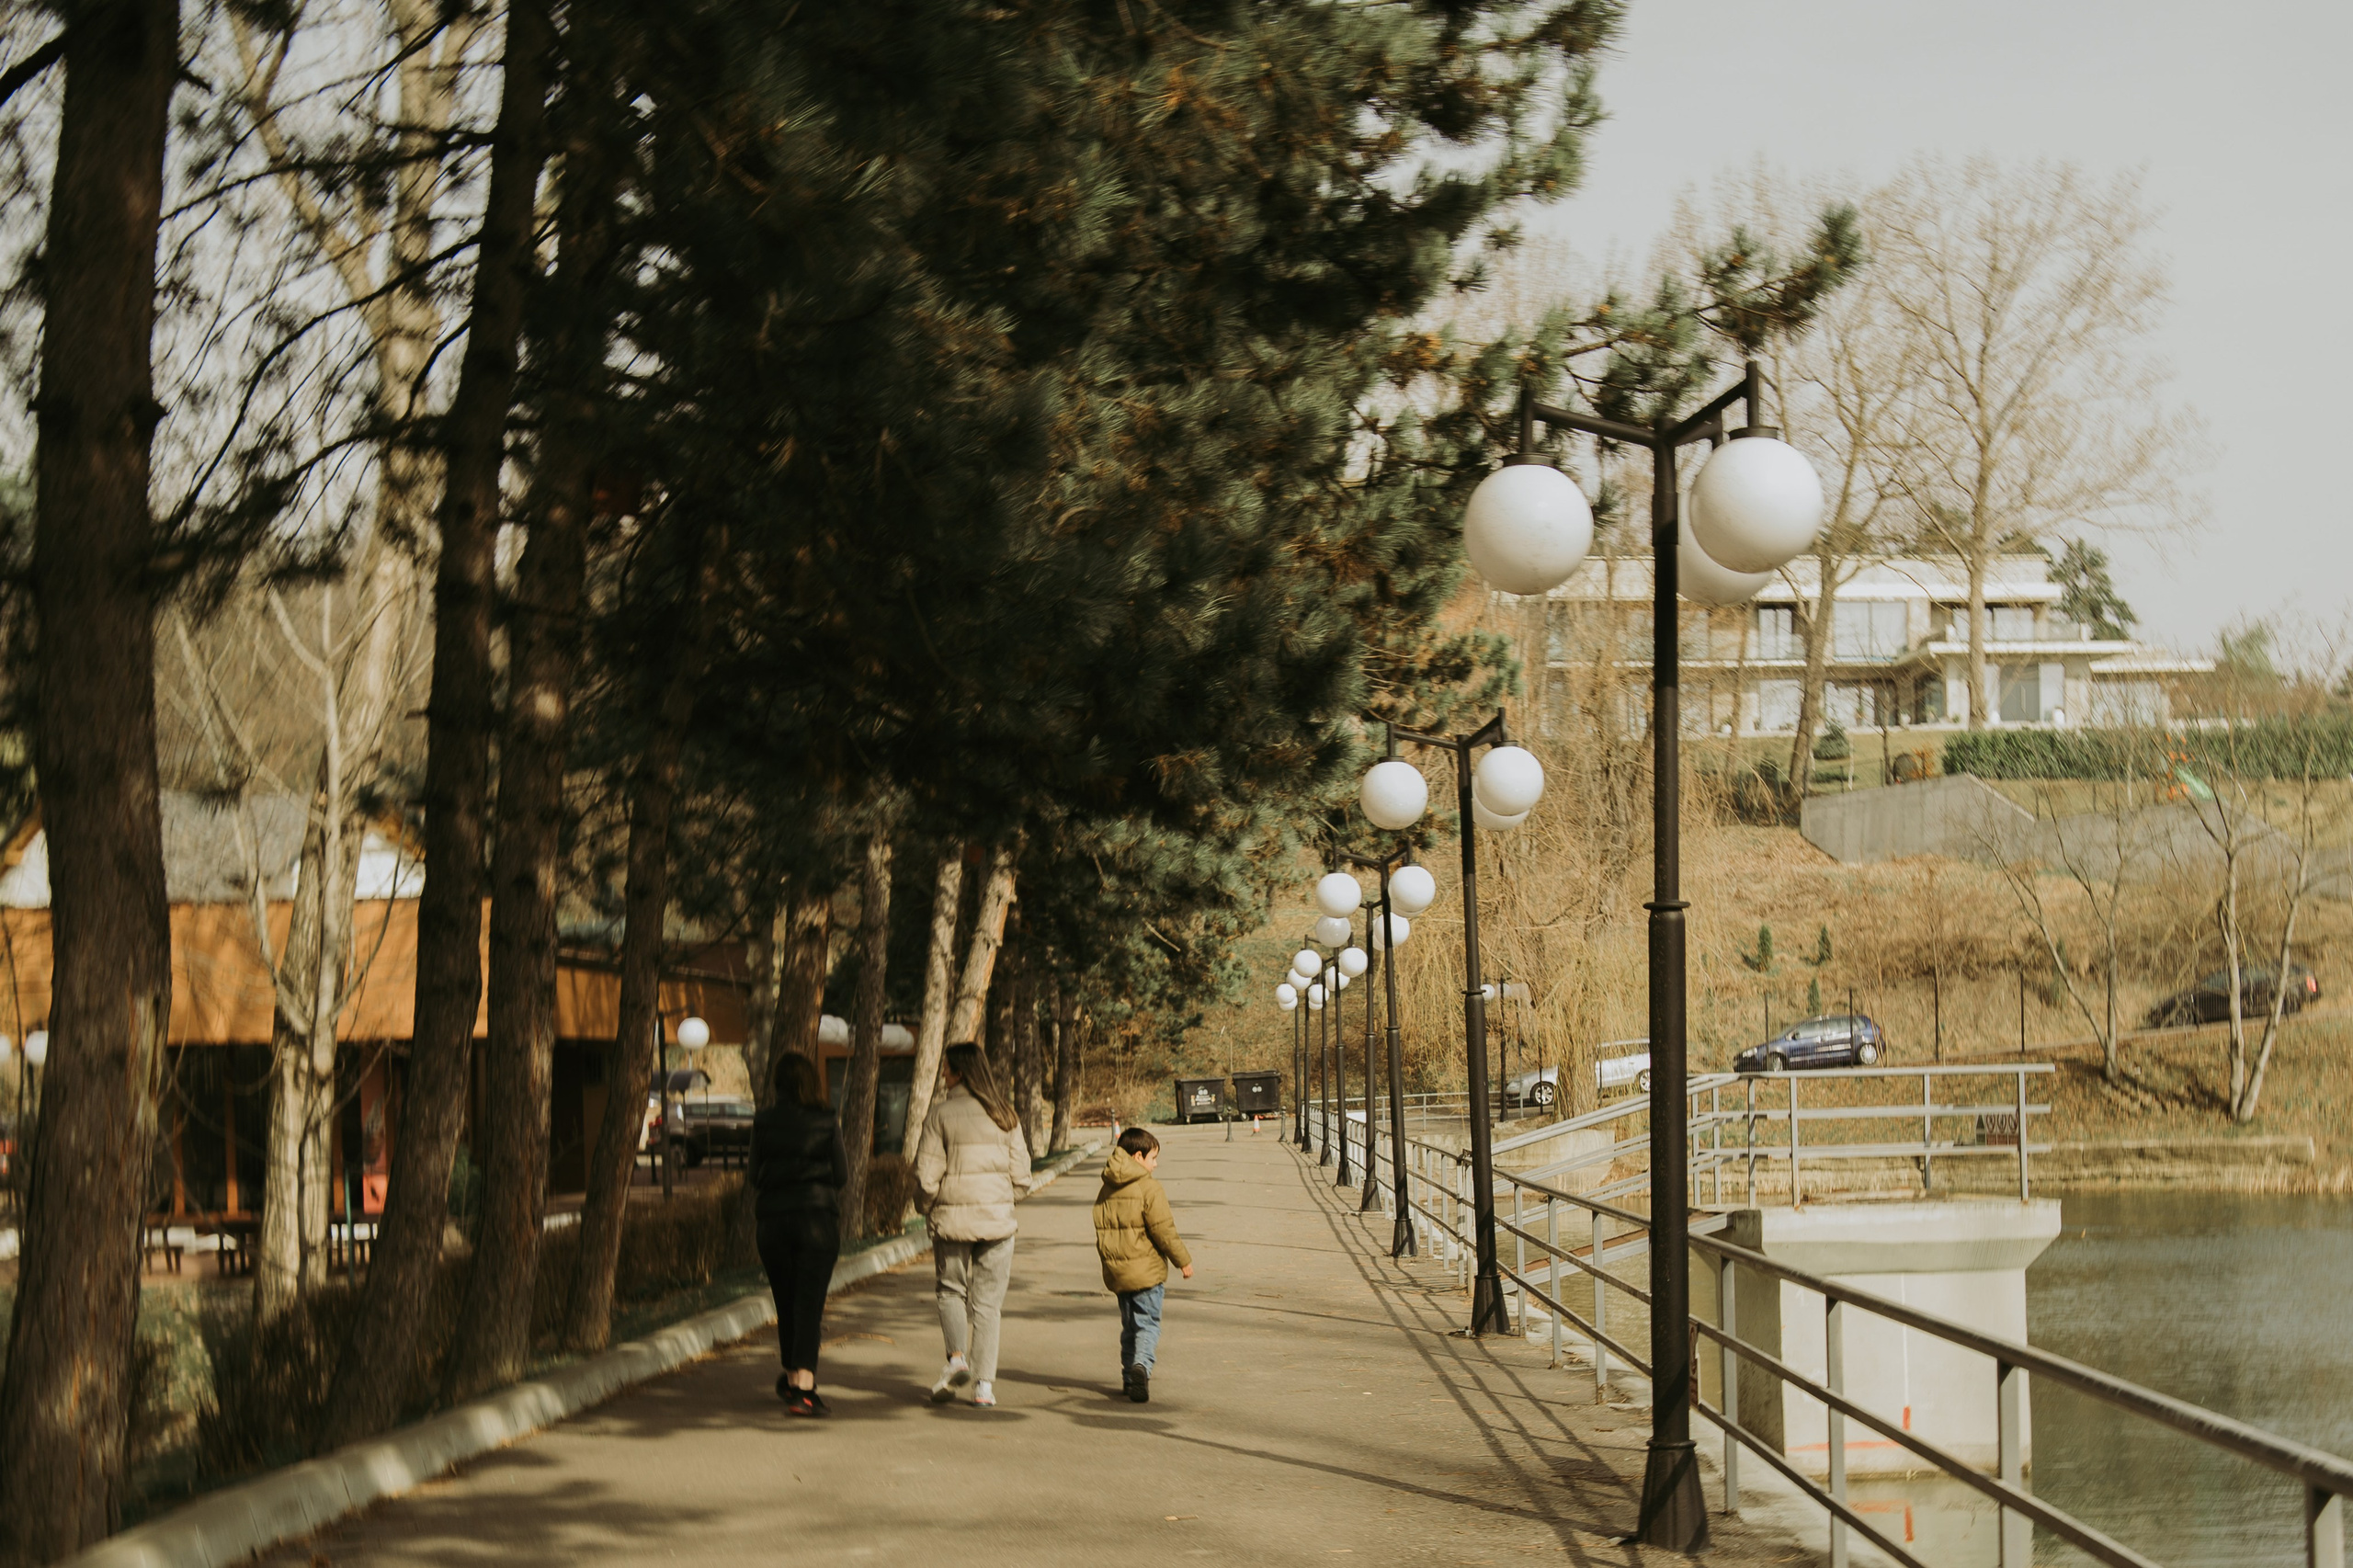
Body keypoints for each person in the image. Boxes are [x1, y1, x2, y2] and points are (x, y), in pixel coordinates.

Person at [914, 1041, 1033, 1408]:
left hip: (953, 1222)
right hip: (998, 1225)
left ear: (960, 1073)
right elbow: (1023, 1176)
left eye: (947, 1070)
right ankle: (983, 1388)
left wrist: (927, 1208)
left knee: (951, 1290)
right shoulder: (1006, 1116)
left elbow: (925, 1177)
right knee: (988, 1305)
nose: (943, 1076)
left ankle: (956, 1360)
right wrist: (1002, 1201)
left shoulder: (941, 1115)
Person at [750, 1051, 849, 1417]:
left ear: (778, 1086)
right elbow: (840, 1175)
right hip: (816, 1222)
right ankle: (805, 1391)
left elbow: (752, 1174)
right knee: (809, 1304)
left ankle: (793, 1378)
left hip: (773, 1223)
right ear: (811, 1083)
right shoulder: (826, 1120)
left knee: (786, 1301)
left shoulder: (764, 1121)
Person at [1091, 1125, 1194, 1404]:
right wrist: (1182, 1260)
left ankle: (1128, 1378)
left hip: (1119, 1273)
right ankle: (1141, 1368)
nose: (1156, 1164)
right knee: (1148, 1324)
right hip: (1147, 1273)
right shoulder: (1149, 1188)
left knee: (1130, 1327)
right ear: (1138, 1156)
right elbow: (1163, 1230)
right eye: (1153, 1158)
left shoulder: (1107, 1187)